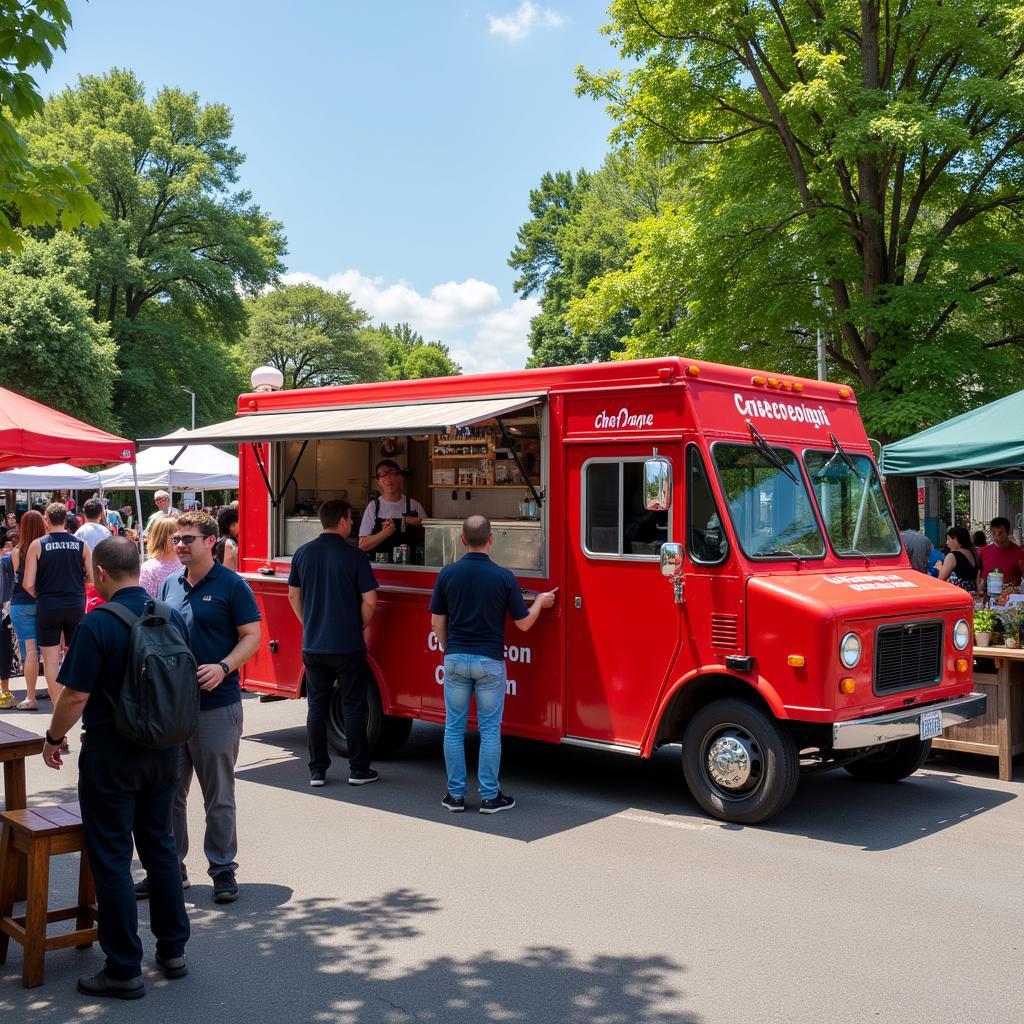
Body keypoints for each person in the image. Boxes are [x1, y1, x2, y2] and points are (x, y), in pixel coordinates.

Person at [41, 537, 190, 998]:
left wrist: (52, 737)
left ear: (101, 573)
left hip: (112, 753)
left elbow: (77, 695)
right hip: (165, 749)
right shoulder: (170, 615)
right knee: (160, 848)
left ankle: (124, 968)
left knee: (111, 858)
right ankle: (173, 950)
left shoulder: (99, 623)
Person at [137, 511, 261, 905]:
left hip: (216, 707)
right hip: (172, 709)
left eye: (188, 538)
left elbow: (253, 636)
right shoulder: (170, 583)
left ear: (211, 542)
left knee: (218, 794)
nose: (179, 545)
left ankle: (223, 868)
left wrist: (225, 666)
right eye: (176, 539)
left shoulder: (232, 585)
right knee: (169, 793)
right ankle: (171, 869)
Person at [429, 514, 557, 814]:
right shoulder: (503, 577)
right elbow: (523, 624)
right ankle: (489, 796)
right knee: (489, 730)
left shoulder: (447, 574)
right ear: (491, 539)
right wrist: (539, 602)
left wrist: (450, 650)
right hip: (490, 662)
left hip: (456, 659)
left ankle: (455, 796)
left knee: (453, 728)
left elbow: (437, 622)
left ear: (462, 540)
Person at [287, 498, 379, 787]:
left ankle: (317, 771)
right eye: (351, 519)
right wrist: (359, 625)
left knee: (317, 707)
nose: (352, 524)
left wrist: (309, 623)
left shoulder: (302, 553)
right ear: (342, 521)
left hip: (314, 645)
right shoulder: (354, 557)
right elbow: (370, 599)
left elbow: (293, 595)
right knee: (353, 706)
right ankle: (358, 770)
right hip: (347, 644)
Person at [22, 502, 91, 709]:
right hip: (75, 603)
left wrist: (39, 594)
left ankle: (58, 709)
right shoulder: (80, 544)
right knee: (75, 655)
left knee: (51, 660)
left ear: (47, 519)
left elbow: (27, 583)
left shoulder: (38, 544)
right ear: (65, 519)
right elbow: (92, 578)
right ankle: (77, 704)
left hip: (49, 604)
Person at [8, 510, 45, 710]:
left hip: (20, 605)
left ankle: (31, 697)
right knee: (50, 652)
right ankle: (57, 694)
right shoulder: (44, 547)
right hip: (44, 603)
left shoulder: (17, 550)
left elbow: (19, 577)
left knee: (30, 652)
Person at [358, 459, 426, 560]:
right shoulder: (373, 507)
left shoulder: (414, 505)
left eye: (393, 473)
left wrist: (420, 525)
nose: (388, 478)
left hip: (409, 567)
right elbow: (362, 545)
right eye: (382, 475)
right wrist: (385, 533)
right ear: (378, 482)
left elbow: (431, 538)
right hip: (380, 568)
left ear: (401, 478)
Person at [139, 516, 181, 599]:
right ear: (161, 537)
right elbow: (147, 600)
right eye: (174, 537)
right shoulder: (149, 568)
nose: (178, 539)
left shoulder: (187, 562)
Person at [978, 516, 1024, 590]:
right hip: (987, 595)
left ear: (1008, 532)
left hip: (1010, 597)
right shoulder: (982, 551)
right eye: (993, 532)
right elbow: (978, 574)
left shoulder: (1020, 553)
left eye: (1000, 532)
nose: (997, 535)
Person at [938, 527, 979, 592]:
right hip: (973, 592)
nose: (946, 543)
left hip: (958, 594)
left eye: (948, 539)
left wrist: (940, 568)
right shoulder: (974, 553)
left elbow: (941, 579)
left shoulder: (952, 556)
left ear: (956, 540)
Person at [0, 535, 16, 708]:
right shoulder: (5, 561)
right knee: (4, 649)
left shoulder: (5, 561)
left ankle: (4, 691)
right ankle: (4, 691)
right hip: (3, 611)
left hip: (3, 610)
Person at [215, 506, 239, 571]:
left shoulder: (219, 539)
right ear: (232, 526)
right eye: (238, 522)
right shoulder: (229, 544)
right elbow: (229, 573)